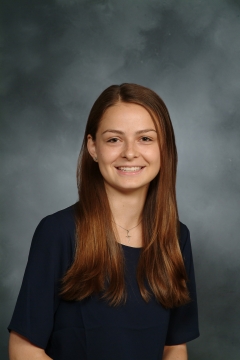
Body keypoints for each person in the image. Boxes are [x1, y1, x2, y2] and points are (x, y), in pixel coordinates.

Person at [8, 83, 199, 360]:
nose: (130, 153)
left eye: (145, 138)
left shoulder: (176, 237)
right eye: (114, 139)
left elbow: (175, 346)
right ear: (93, 148)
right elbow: (23, 349)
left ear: (164, 148)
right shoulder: (59, 232)